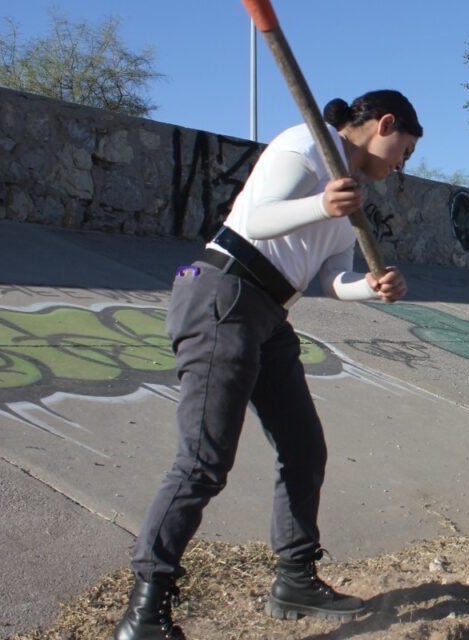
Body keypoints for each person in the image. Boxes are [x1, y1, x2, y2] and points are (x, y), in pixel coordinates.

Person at [115, 91, 422, 640]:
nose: (403, 163)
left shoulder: (349, 198)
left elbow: (330, 277)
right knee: (203, 463)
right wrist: (320, 204)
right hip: (223, 293)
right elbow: (256, 219)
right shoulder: (309, 144)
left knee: (303, 446)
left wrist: (372, 287)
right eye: (406, 149)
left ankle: (296, 578)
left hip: (270, 313)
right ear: (385, 123)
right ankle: (145, 612)